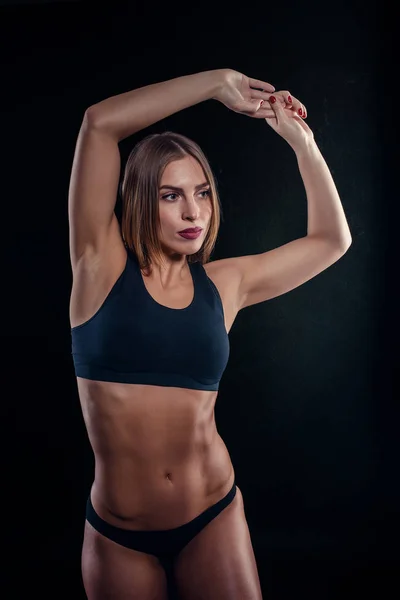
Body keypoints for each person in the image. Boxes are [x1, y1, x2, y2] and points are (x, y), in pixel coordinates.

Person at [69, 68, 351, 599]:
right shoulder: (97, 267)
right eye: (170, 195)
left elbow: (331, 240)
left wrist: (302, 142)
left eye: (200, 192)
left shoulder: (226, 284)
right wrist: (217, 84)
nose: (193, 211)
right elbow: (99, 124)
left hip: (212, 515)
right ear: (139, 200)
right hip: (120, 533)